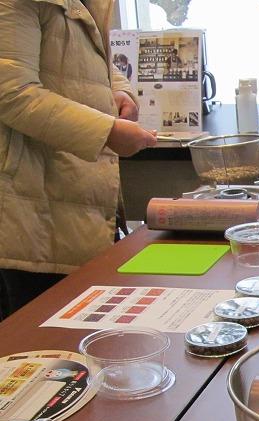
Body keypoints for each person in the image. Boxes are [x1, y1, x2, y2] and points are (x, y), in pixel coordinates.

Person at [0, 0, 157, 319]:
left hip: (76, 198)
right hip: (30, 215)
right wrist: (107, 131)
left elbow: (83, 60)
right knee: (45, 353)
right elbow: (12, 94)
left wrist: (119, 90)